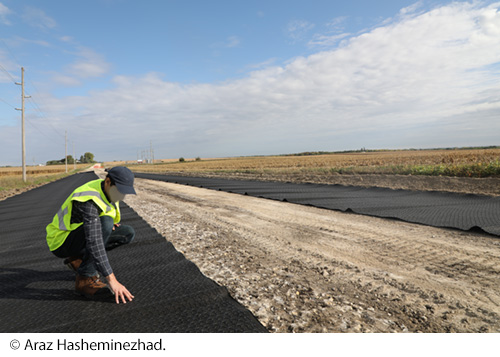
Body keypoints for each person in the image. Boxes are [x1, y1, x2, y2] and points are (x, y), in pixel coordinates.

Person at [46, 166, 136, 304]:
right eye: (119, 190)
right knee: (104, 224)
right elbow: (95, 241)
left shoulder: (109, 192)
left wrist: (108, 223)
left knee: (127, 233)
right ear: (107, 182)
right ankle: (84, 280)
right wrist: (112, 279)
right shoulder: (89, 197)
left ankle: (79, 259)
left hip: (79, 235)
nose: (121, 195)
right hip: (61, 241)